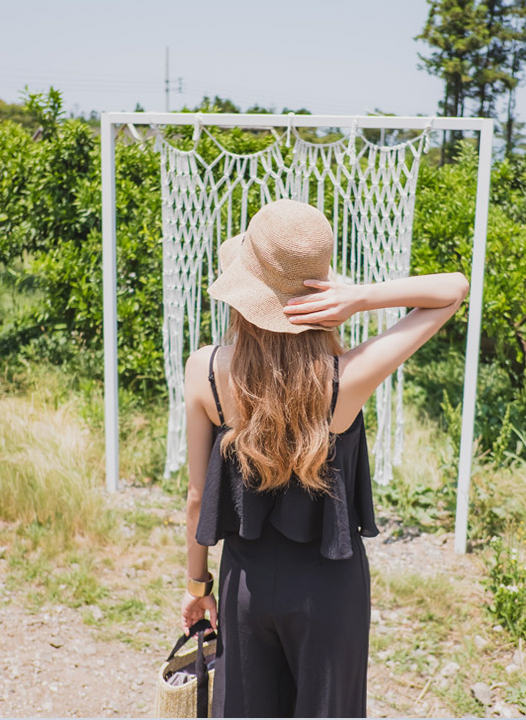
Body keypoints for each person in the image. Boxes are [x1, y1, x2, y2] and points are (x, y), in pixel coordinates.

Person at [181, 199, 469, 718]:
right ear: (322, 295)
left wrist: (197, 587)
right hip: (329, 588)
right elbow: (453, 290)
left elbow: (197, 497)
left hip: (244, 581)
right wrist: (359, 299)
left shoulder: (205, 370)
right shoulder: (345, 380)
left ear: (243, 294)